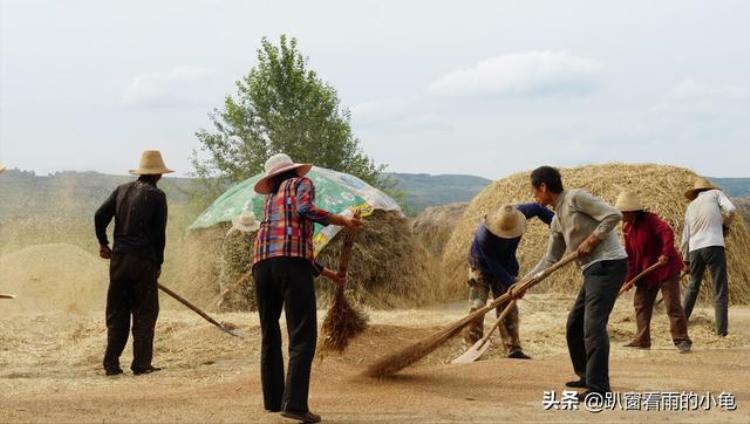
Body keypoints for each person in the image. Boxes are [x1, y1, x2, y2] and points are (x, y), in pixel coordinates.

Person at [252, 153, 361, 424]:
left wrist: (328, 274)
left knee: (270, 333)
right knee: (302, 335)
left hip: (261, 265)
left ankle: (274, 401)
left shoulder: (270, 199)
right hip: (290, 264)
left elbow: (290, 244)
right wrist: (342, 220)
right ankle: (296, 404)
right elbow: (305, 211)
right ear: (293, 171)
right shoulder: (302, 184)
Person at [519, 166, 627, 398]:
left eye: (534, 191)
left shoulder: (575, 198)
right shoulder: (557, 220)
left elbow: (614, 215)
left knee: (593, 325)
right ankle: (586, 375)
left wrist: (593, 239)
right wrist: (523, 283)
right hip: (591, 270)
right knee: (574, 324)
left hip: (609, 264)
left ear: (544, 187)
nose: (534, 196)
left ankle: (599, 388)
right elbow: (550, 259)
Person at [94, 150, 171, 376]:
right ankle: (141, 364)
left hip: (118, 260)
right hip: (143, 261)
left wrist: (103, 243)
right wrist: (158, 265)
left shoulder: (121, 190)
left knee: (117, 312)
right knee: (145, 313)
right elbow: (159, 235)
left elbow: (99, 216)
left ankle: (111, 364)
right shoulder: (157, 196)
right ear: (157, 175)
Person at [465, 203, 553, 359]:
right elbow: (494, 266)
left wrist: (554, 223)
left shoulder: (517, 215)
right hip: (481, 264)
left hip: (506, 263)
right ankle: (474, 346)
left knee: (509, 306)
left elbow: (539, 209)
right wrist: (512, 283)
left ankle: (513, 347)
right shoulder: (483, 236)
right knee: (478, 306)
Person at [615, 191, 691, 353]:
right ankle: (642, 339)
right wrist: (630, 278)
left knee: (672, 305)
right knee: (641, 303)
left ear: (631, 211)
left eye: (623, 212)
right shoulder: (627, 228)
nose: (621, 215)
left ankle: (682, 340)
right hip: (646, 271)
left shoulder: (651, 220)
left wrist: (665, 253)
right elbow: (630, 255)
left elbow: (667, 233)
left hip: (666, 268)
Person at [681, 177, 736, 336]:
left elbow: (686, 236)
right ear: (708, 188)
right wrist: (725, 225)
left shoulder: (691, 206)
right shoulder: (715, 193)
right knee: (720, 289)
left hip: (694, 249)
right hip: (713, 245)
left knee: (693, 286)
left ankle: (682, 322)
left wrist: (686, 260)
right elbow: (731, 209)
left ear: (696, 192)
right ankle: (721, 332)